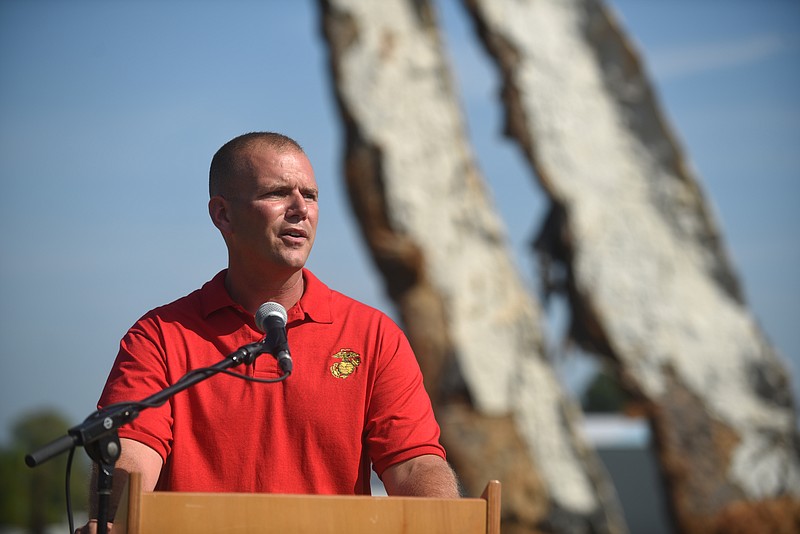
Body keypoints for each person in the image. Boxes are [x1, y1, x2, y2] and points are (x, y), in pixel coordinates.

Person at [77, 132, 460, 532]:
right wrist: (114, 522)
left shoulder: (374, 335)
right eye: (278, 193)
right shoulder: (159, 336)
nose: (300, 210)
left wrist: (448, 523)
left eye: (310, 196)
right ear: (222, 214)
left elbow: (414, 462)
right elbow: (131, 455)